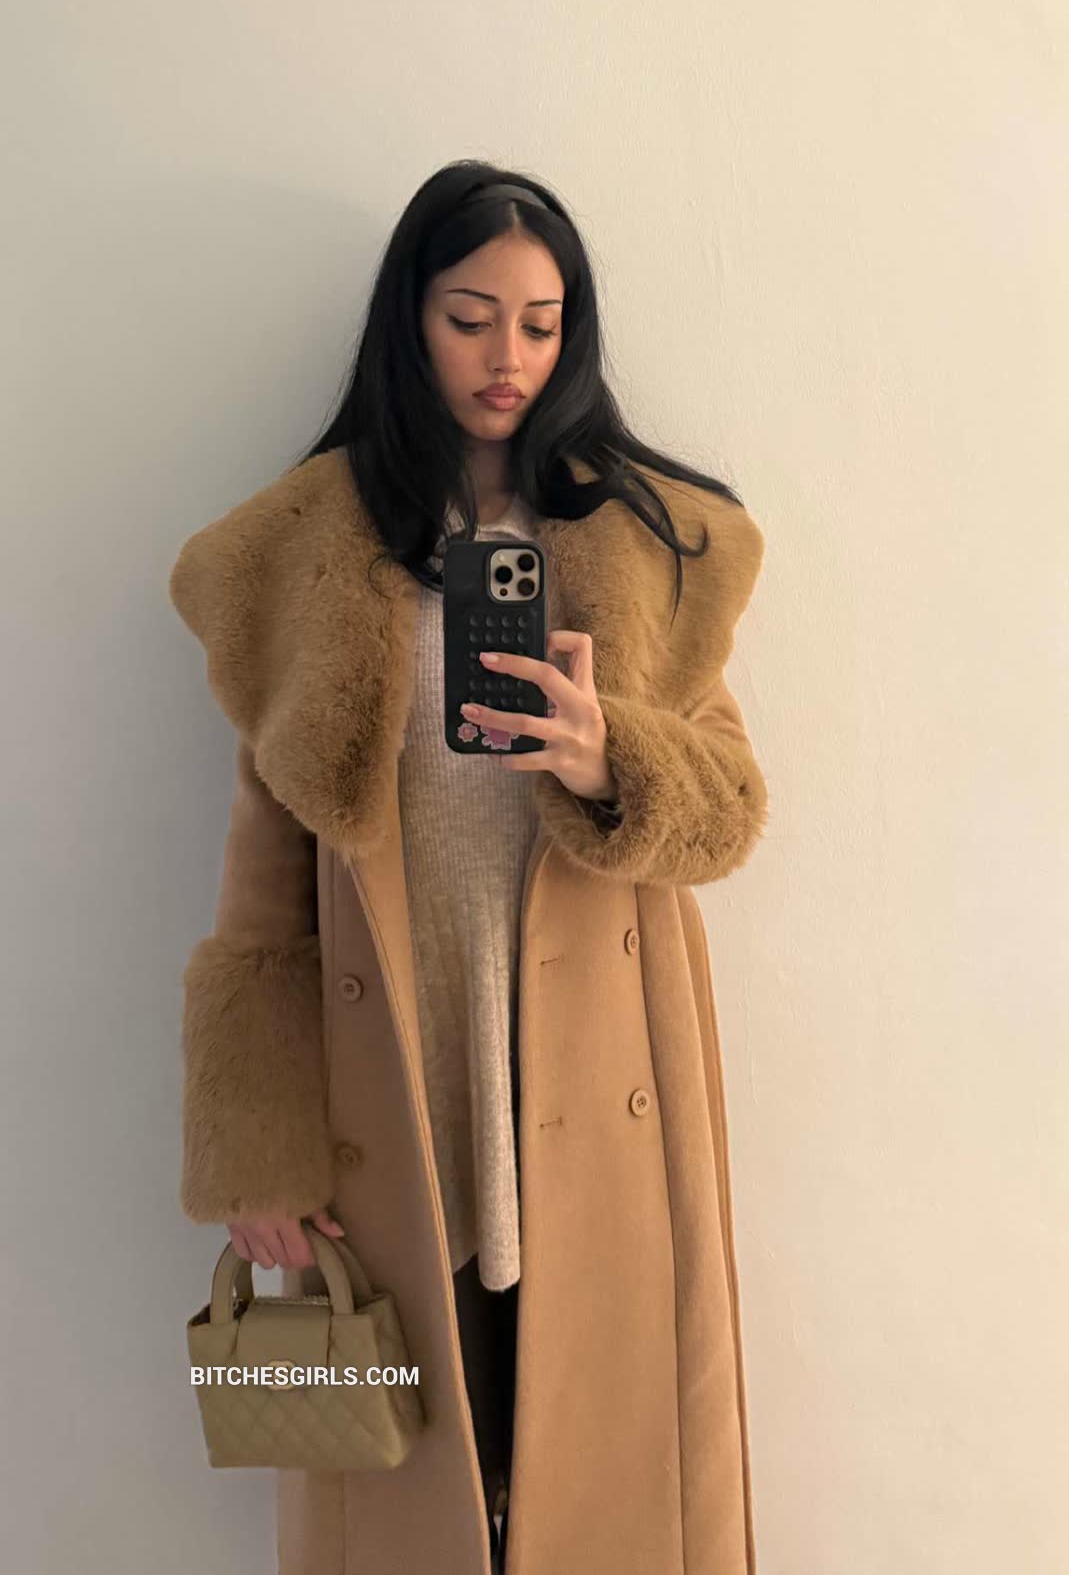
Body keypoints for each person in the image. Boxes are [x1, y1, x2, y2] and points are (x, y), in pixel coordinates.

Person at [170, 161, 769, 1575]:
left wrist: (607, 756)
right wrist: (256, 1150)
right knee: (401, 1485)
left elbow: (732, 808)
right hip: (391, 1069)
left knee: (603, 1468)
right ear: (410, 320)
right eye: (470, 318)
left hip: (601, 1067)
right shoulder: (304, 556)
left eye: (541, 324)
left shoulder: (649, 542)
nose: (509, 359)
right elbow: (264, 889)